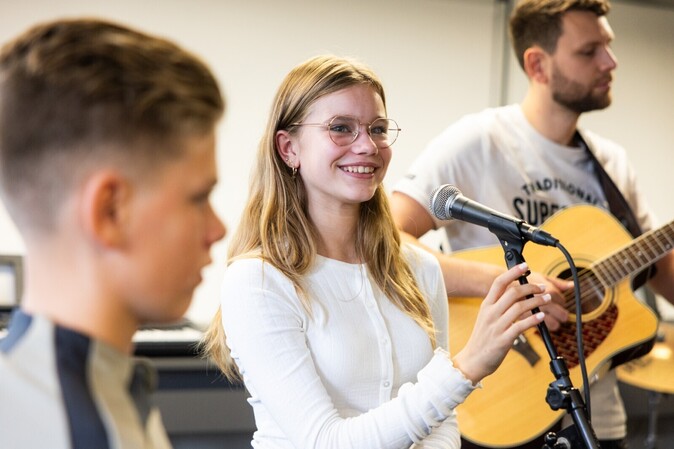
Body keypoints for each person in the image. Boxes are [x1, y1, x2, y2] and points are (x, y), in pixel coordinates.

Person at [201, 54, 553, 449]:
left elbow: (442, 426)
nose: (367, 146)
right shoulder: (260, 281)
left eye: (378, 129)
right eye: (340, 128)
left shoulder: (418, 268)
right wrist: (466, 368)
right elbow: (326, 442)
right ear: (289, 149)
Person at [390, 1, 674, 448]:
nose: (610, 62)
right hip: (497, 399)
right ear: (537, 64)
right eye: (589, 51)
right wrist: (511, 285)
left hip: (594, 418)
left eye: (609, 46)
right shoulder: (480, 141)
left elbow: (666, 276)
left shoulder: (613, 166)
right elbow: (387, 241)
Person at [0, 18, 226, 448]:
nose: (218, 229)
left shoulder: (105, 389)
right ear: (110, 210)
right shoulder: (72, 432)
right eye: (198, 198)